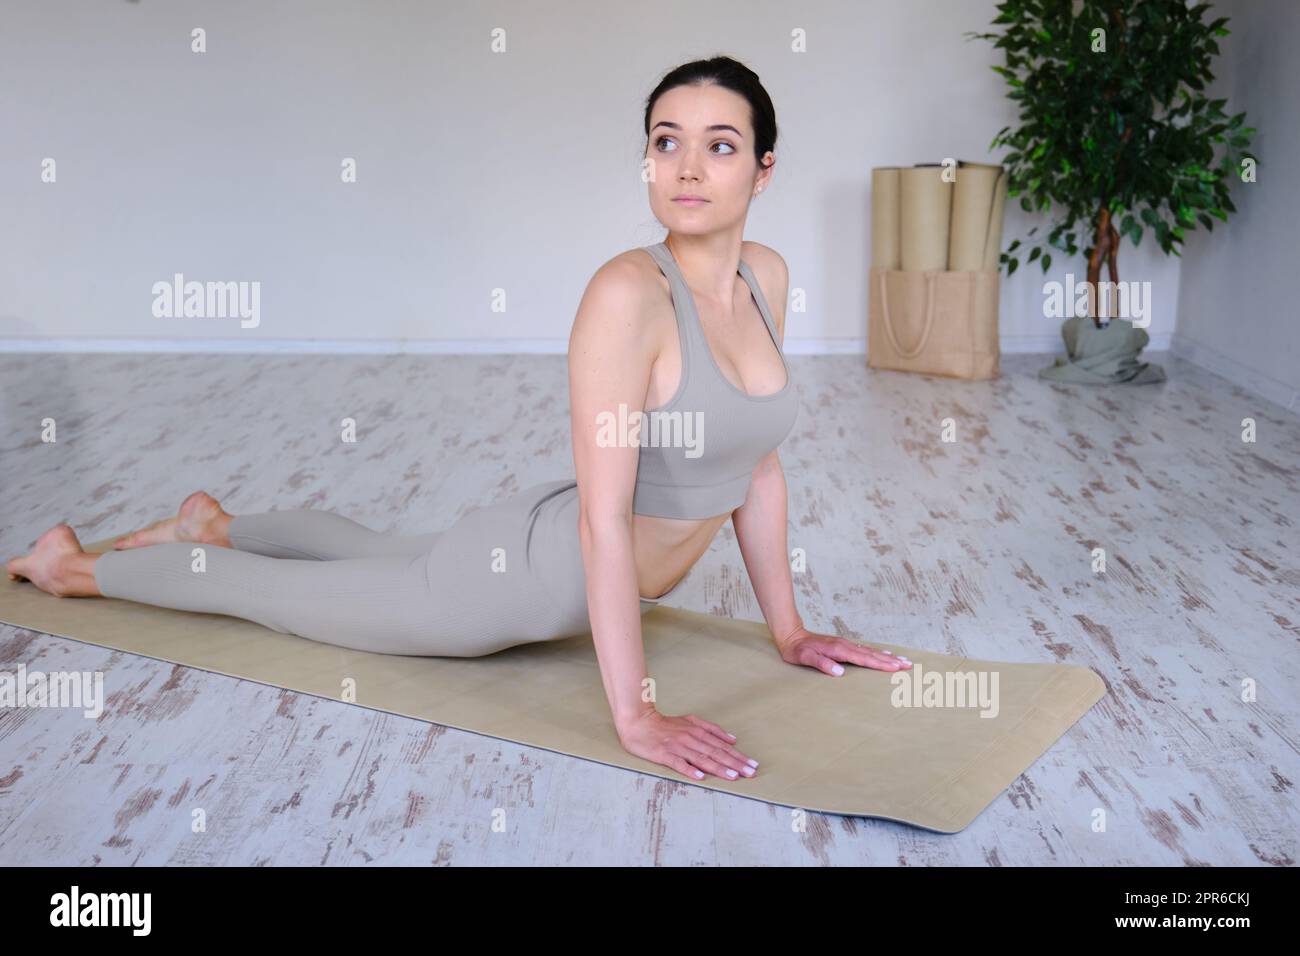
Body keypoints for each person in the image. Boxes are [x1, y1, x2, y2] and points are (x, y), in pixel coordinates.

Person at [6, 56, 911, 783]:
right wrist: (633, 713)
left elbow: (755, 463)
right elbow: (604, 522)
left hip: (531, 537)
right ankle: (71, 567)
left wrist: (788, 631)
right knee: (267, 597)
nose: (684, 165)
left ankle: (216, 523)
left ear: (763, 169)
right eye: (665, 140)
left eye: (719, 146)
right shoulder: (626, 296)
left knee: (374, 544)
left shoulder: (766, 276)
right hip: (509, 588)